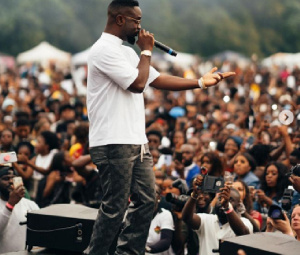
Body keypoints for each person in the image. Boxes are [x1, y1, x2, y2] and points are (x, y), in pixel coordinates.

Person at [85, 1, 235, 254]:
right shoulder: (102, 50)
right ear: (120, 20)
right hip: (113, 141)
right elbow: (137, 83)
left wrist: (200, 82)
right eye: (137, 22)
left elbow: (156, 79)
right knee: (115, 208)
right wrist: (146, 52)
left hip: (136, 141)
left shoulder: (126, 52)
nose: (141, 29)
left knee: (146, 201)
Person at [182, 175, 253, 255]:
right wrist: (194, 194)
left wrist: (227, 207)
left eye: (230, 200)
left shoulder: (245, 222)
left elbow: (243, 233)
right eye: (220, 198)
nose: (223, 201)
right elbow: (187, 218)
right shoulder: (206, 219)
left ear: (239, 205)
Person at [0, 165, 39, 253]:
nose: (10, 181)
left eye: (14, 178)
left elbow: (41, 228)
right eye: (6, 178)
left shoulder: (29, 204)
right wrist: (10, 204)